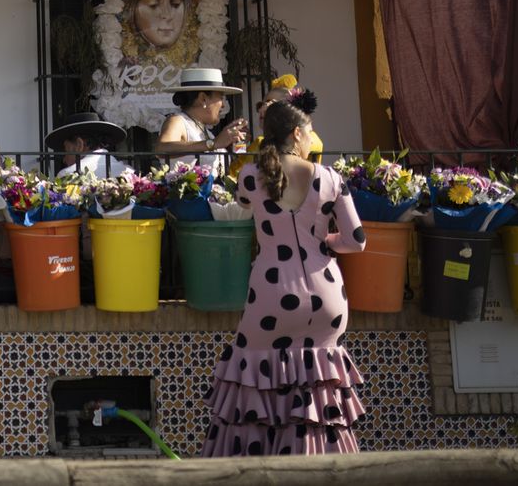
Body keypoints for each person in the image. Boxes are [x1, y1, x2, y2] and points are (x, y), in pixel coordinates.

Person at [201, 100, 367, 455]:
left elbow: (243, 205)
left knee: (255, 383)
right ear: (296, 133)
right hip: (327, 296)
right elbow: (357, 241)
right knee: (317, 392)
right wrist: (324, 242)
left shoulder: (250, 175)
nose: (311, 140)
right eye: (309, 134)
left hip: (271, 294)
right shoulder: (331, 179)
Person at [156, 67, 249, 172]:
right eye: (221, 98)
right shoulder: (177, 121)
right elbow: (162, 149)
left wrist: (229, 142)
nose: (223, 105)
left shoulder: (206, 132)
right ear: (203, 98)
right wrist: (213, 143)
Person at [46, 112, 135, 180]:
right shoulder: (129, 173)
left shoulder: (68, 175)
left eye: (65, 150)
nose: (64, 159)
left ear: (79, 145)